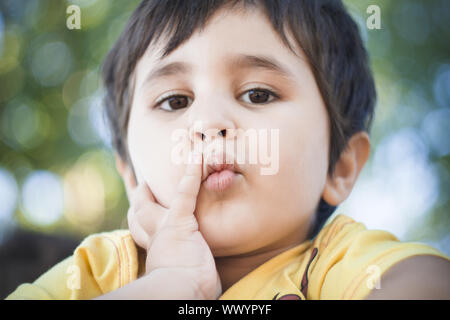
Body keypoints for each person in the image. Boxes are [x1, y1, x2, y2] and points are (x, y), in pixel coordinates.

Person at [6, 0, 449, 300]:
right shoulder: (102, 271)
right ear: (131, 176)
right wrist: (169, 286)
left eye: (257, 94)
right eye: (175, 101)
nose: (209, 123)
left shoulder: (341, 265)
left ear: (341, 167)